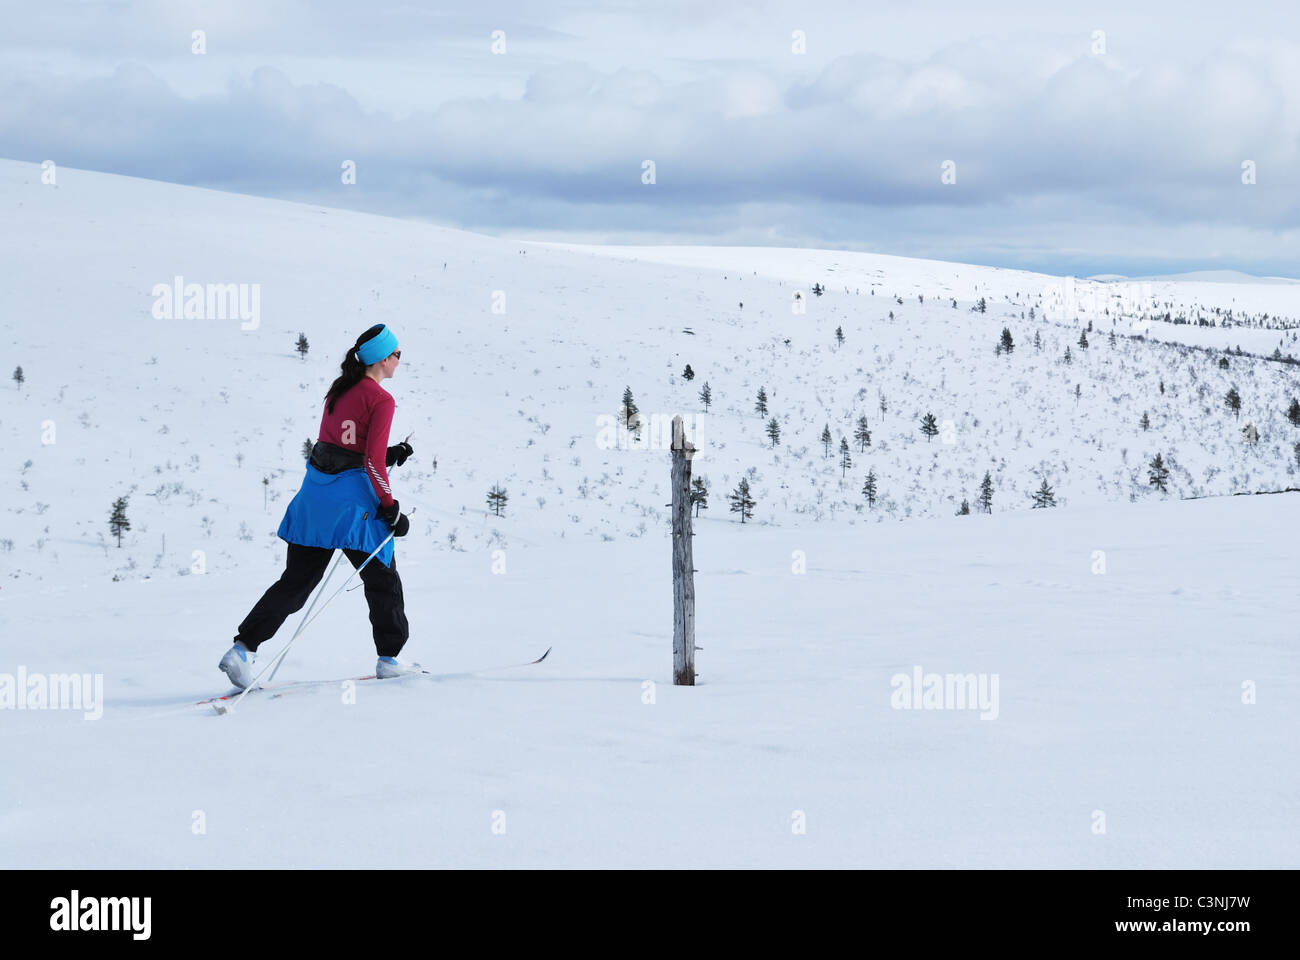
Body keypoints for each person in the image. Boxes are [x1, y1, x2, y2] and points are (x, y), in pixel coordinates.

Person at [218, 323, 418, 688]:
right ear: (383, 359)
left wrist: (392, 454)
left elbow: (342, 448)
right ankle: (390, 658)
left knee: (296, 582)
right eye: (397, 354)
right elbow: (370, 463)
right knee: (382, 578)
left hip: (315, 498)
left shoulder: (339, 391)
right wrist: (392, 509)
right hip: (354, 507)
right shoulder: (382, 400)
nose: (399, 361)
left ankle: (243, 649)